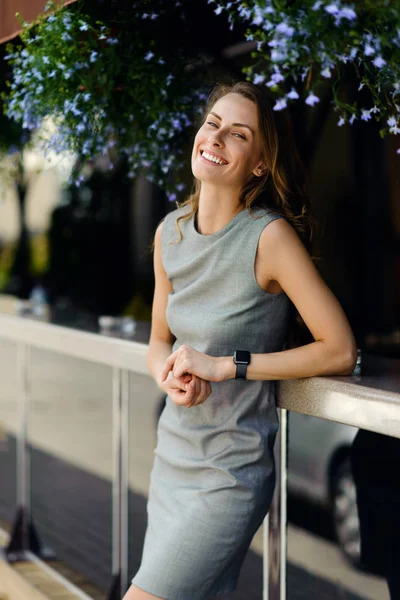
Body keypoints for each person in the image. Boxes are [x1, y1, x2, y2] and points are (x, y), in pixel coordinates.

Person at [123, 81, 357, 600]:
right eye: (213, 123)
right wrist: (170, 374)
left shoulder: (268, 237)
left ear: (258, 164)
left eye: (238, 134)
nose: (217, 137)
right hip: (173, 460)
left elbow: (339, 350)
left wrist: (228, 366)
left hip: (229, 476)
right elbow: (158, 341)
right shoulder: (170, 233)